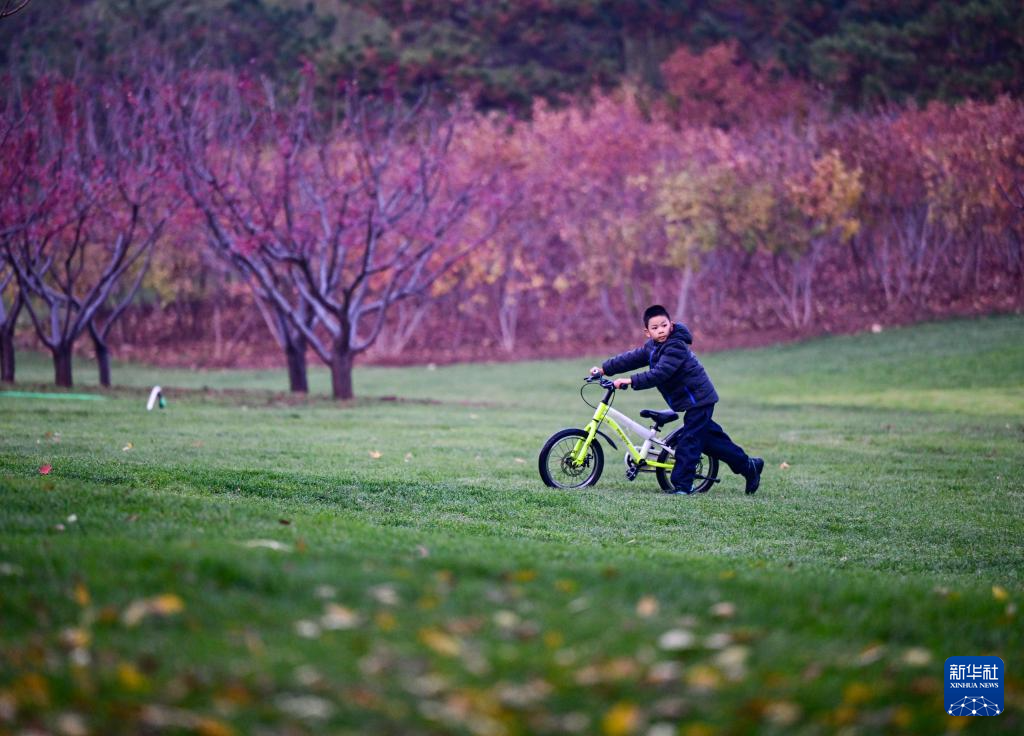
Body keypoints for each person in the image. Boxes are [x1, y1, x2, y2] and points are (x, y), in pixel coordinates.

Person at [591, 304, 763, 495]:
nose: (661, 330)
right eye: (655, 328)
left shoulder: (675, 346)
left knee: (689, 441)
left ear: (671, 325)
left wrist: (630, 381)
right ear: (647, 332)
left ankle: (682, 485)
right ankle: (750, 466)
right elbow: (632, 358)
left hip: (699, 399)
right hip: (691, 401)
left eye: (664, 325)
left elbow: (660, 373)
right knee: (711, 440)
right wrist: (605, 369)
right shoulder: (653, 346)